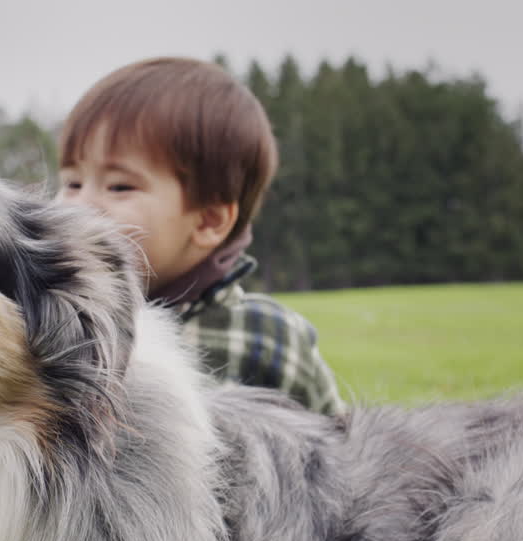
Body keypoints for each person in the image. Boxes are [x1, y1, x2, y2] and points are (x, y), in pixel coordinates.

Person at [56, 57, 346, 415]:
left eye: (119, 186)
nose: (78, 208)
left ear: (208, 221)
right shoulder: (60, 324)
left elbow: (340, 445)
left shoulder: (270, 338)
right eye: (72, 183)